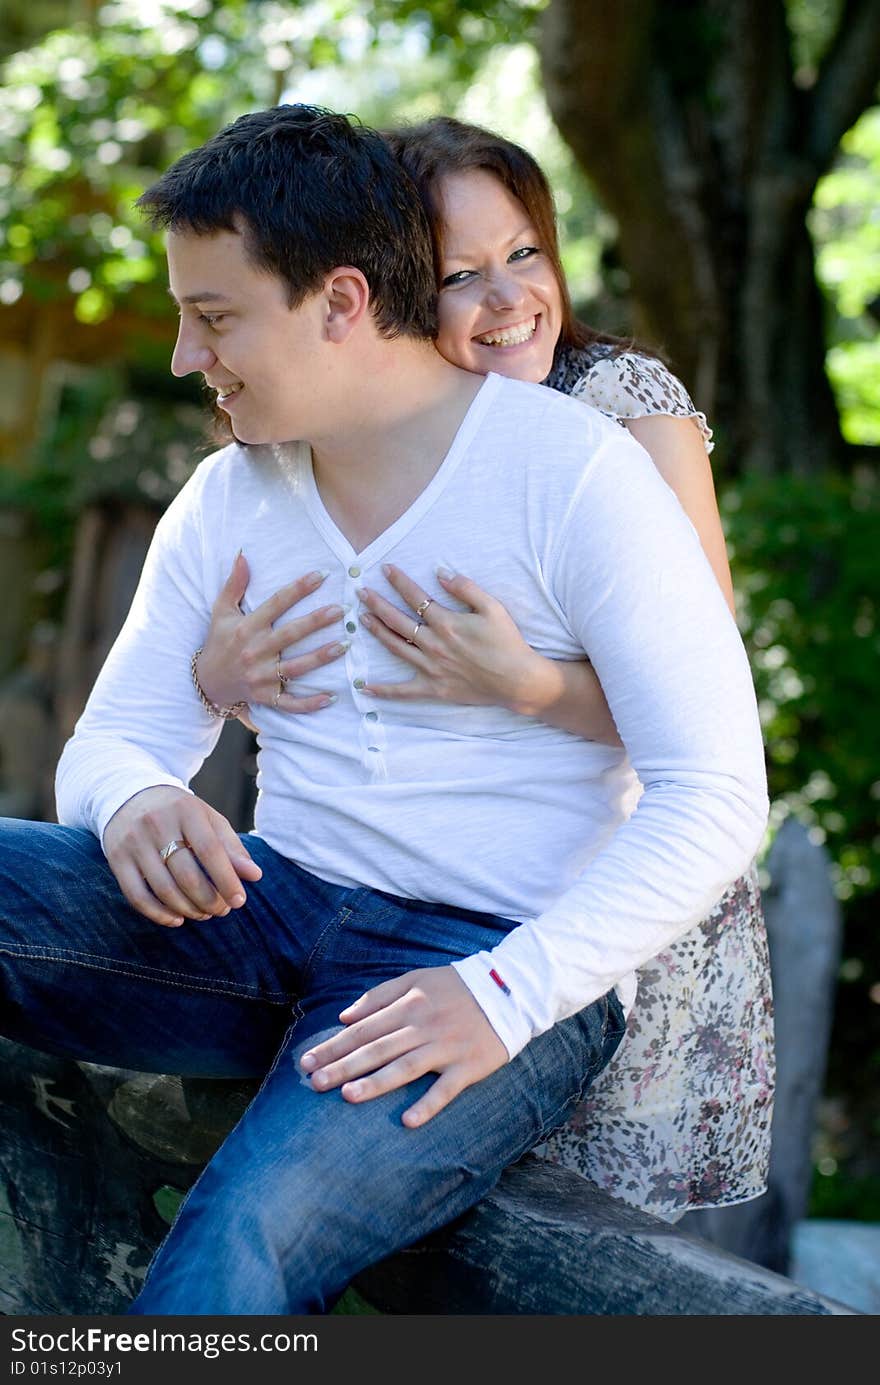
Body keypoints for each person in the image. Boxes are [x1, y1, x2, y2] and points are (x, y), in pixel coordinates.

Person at [0, 105, 768, 1315]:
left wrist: (509, 994)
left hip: (484, 959)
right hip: (265, 907)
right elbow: (115, 735)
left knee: (227, 1257)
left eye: (213, 319)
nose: (184, 358)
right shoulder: (226, 493)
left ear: (343, 300)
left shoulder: (574, 473)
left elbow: (718, 788)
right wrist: (138, 794)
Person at [191, 116, 774, 1221]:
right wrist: (214, 677)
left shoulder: (618, 413)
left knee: (581, 1232)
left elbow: (709, 707)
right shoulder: (353, 438)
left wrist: (530, 687)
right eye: (464, 275)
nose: (509, 298)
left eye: (525, 254)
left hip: (616, 885)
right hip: (420, 904)